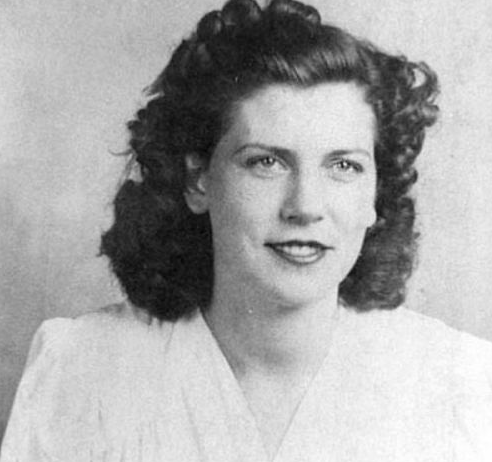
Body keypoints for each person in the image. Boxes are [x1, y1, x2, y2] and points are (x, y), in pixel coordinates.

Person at [1, 0, 492, 460]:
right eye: (266, 162)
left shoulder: (459, 385)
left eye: (343, 166)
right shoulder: (80, 370)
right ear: (198, 180)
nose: (305, 207)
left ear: (375, 195)